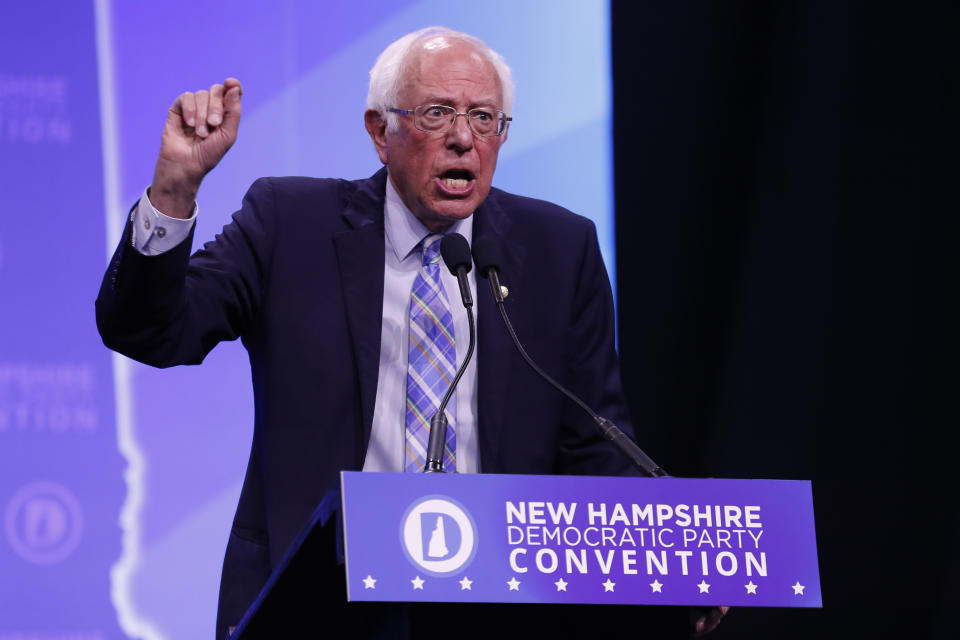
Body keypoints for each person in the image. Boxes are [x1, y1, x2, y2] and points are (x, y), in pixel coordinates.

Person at [96, 26, 725, 639]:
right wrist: (175, 189)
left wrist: (673, 567)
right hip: (321, 601)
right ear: (380, 131)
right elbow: (151, 333)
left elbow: (598, 449)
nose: (462, 139)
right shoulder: (291, 223)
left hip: (500, 606)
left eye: (484, 118)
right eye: (435, 114)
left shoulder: (560, 249)